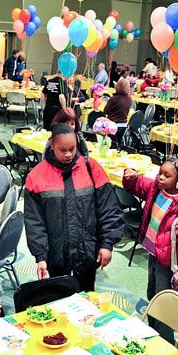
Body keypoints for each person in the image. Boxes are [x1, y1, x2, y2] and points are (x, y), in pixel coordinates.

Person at [24, 123, 125, 291]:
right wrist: (40, 257)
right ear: (52, 145)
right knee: (57, 298)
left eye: (72, 149)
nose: (69, 154)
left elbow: (109, 209)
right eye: (62, 150)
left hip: (87, 251)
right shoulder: (36, 176)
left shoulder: (91, 168)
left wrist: (107, 244)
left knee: (87, 299)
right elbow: (34, 221)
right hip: (55, 255)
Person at [123, 159, 178, 344]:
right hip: (153, 251)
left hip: (168, 260)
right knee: (152, 294)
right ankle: (152, 332)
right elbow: (136, 184)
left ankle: (166, 342)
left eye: (167, 175)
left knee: (163, 301)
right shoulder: (156, 188)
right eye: (160, 173)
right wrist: (131, 176)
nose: (160, 177)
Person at [103, 78, 132, 143]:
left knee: (112, 144)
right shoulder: (129, 99)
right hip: (123, 125)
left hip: (113, 125)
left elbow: (105, 111)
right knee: (118, 143)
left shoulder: (114, 99)